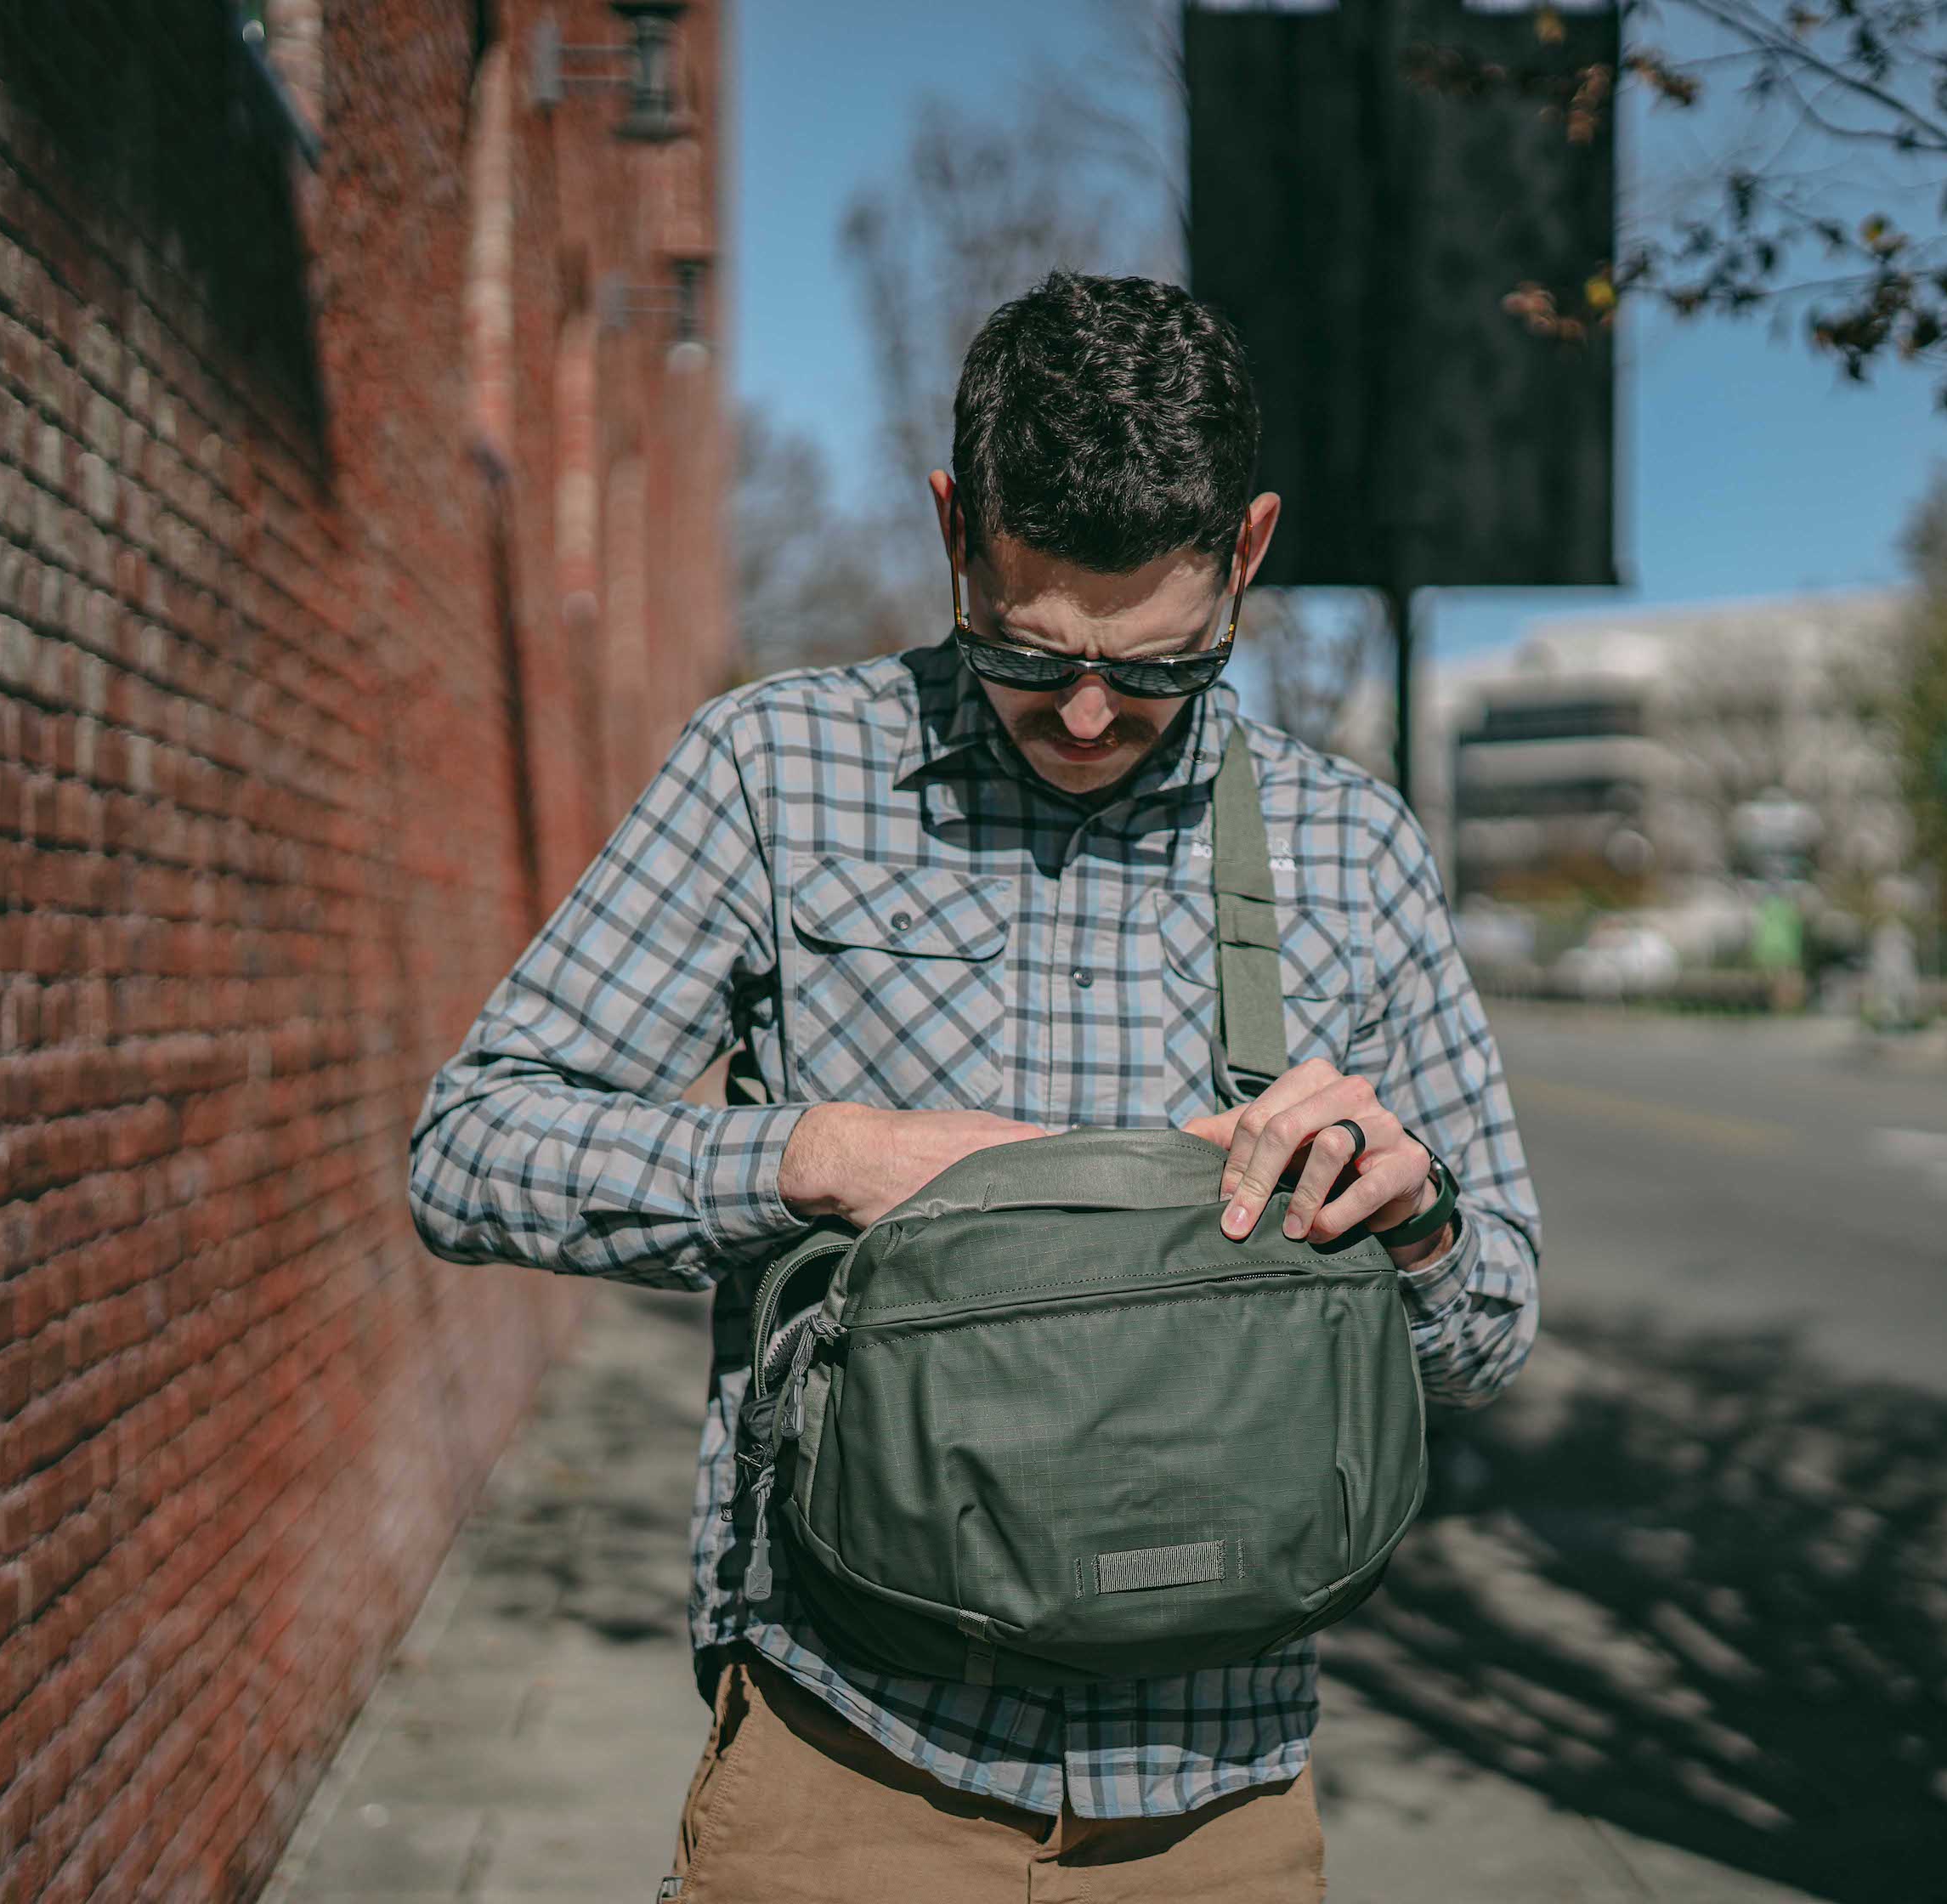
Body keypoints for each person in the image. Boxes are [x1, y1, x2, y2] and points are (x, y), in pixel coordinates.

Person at [408, 271, 1542, 1902]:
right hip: (849, 1760)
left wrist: (1415, 1220)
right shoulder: (773, 772)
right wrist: (820, 1156)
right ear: (955, 528)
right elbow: (471, 1146)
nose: (1088, 714)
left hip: (1216, 1803)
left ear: (1250, 554)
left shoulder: (1353, 851)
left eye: (1157, 669)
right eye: (1027, 650)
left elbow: (1495, 1323)